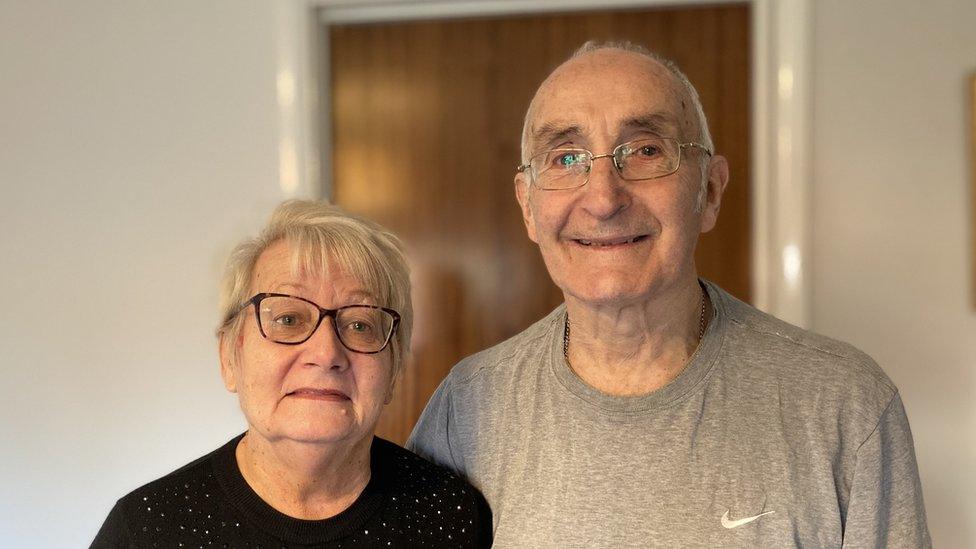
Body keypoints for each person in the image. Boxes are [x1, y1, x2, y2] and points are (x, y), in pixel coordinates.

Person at [407, 41, 930, 547]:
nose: (604, 197)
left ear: (709, 191)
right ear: (528, 207)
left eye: (645, 151)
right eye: (566, 158)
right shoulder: (465, 408)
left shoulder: (845, 404)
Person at [92, 200, 492, 548]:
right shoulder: (146, 529)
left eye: (359, 325)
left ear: (394, 370)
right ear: (230, 357)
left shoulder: (451, 516)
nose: (325, 353)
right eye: (288, 318)